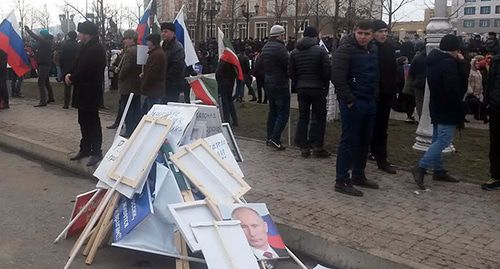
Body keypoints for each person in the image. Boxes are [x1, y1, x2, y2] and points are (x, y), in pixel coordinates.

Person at [411, 34, 469, 190]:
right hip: (447, 108)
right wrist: (463, 64)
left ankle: (439, 170)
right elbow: (455, 88)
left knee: (437, 137)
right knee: (444, 140)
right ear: (454, 49)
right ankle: (421, 167)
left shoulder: (434, 61)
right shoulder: (449, 64)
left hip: (437, 105)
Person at [331, 20, 379, 197]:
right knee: (348, 141)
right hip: (353, 102)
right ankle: (341, 179)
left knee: (364, 140)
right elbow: (337, 76)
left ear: (371, 34)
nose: (363, 37)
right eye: (360, 33)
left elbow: (375, 74)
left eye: (367, 34)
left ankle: (359, 174)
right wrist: (350, 99)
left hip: (369, 100)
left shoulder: (373, 49)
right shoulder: (345, 49)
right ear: (354, 32)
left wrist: (375, 96)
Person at [65, 21, 107, 167]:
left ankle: (96, 151)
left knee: (92, 122)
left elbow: (86, 71)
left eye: (81, 32)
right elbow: (78, 65)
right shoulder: (86, 47)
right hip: (83, 91)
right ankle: (85, 149)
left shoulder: (96, 49)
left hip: (90, 92)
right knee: (83, 121)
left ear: (87, 34)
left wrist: (72, 78)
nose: (78, 35)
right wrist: (70, 74)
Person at [289, 26, 331, 158]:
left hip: (302, 88)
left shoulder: (294, 52)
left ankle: (303, 147)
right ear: (315, 36)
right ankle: (318, 146)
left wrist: (298, 83)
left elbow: (291, 72)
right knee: (319, 118)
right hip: (318, 88)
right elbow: (327, 71)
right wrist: (324, 85)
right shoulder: (320, 52)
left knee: (303, 117)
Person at [369, 20, 398, 174]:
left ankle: (381, 158)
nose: (384, 34)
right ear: (373, 33)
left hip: (385, 95)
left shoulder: (389, 48)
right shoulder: (368, 48)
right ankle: (366, 154)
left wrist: (393, 91)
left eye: (385, 31)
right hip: (370, 95)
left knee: (381, 129)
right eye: (380, 31)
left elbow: (392, 72)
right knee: (366, 128)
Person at [261, 24, 290, 150]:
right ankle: (275, 138)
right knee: (283, 112)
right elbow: (288, 64)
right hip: (280, 82)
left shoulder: (265, 47)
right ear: (280, 35)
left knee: (272, 111)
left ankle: (269, 137)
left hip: (268, 81)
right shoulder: (280, 48)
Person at [115, 30, 142, 136]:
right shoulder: (139, 50)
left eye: (126, 38)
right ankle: (135, 129)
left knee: (127, 109)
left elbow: (126, 68)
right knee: (136, 108)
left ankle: (129, 130)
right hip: (137, 84)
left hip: (127, 85)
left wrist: (119, 76)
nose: (124, 40)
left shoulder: (130, 52)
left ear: (131, 39)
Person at [482, 50, 500, 190]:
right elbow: (490, 84)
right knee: (495, 144)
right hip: (497, 106)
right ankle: (496, 176)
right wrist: (488, 103)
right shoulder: (496, 60)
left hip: (495, 104)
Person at [24, 27, 55, 107]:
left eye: (41, 34)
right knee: (46, 82)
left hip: (44, 64)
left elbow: (36, 38)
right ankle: (51, 97)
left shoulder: (46, 42)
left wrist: (28, 30)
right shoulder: (45, 42)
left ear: (44, 35)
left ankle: (43, 101)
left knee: (40, 82)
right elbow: (36, 46)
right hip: (44, 64)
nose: (39, 36)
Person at [141, 33, 166, 114]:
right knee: (147, 112)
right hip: (154, 90)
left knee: (151, 114)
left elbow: (152, 73)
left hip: (154, 90)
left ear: (152, 42)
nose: (147, 43)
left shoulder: (156, 55)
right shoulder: (157, 53)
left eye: (148, 41)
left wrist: (144, 86)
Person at [161, 22, 185, 103]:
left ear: (173, 33)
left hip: (173, 84)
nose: (163, 34)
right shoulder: (163, 46)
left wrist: (166, 78)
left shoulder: (177, 47)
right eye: (162, 31)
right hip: (163, 84)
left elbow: (177, 66)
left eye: (166, 31)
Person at [59, 31, 79, 109]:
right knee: (76, 86)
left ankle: (66, 104)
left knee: (67, 87)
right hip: (76, 68)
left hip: (66, 68)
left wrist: (62, 67)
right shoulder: (78, 45)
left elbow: (61, 57)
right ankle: (76, 103)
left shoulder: (65, 45)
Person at [216, 59, 239, 126]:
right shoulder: (233, 61)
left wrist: (220, 81)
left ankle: (227, 120)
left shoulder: (222, 62)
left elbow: (218, 74)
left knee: (225, 102)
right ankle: (235, 120)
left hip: (223, 84)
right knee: (230, 101)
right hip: (230, 83)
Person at [408, 42, 426, 119]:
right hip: (429, 82)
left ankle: (421, 117)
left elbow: (411, 71)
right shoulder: (432, 57)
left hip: (418, 82)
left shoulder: (417, 58)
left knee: (419, 101)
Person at [466, 56, 485, 121]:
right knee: (474, 103)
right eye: (476, 63)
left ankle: (478, 116)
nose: (478, 64)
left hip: (479, 91)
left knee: (480, 104)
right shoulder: (470, 72)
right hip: (472, 92)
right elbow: (468, 82)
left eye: (478, 63)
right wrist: (470, 91)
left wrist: (481, 91)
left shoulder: (479, 72)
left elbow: (480, 82)